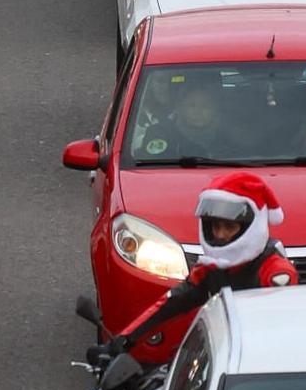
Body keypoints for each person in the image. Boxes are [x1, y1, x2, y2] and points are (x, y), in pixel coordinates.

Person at [103, 174, 296, 365]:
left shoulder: (274, 271)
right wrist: (126, 338)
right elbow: (174, 301)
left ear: (250, 226)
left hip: (262, 364)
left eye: (230, 227)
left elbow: (285, 329)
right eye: (216, 226)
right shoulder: (211, 268)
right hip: (223, 354)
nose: (220, 235)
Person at [137, 82, 232, 163]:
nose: (198, 111)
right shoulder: (159, 133)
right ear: (179, 108)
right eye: (192, 105)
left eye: (205, 106)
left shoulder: (227, 137)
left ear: (215, 109)